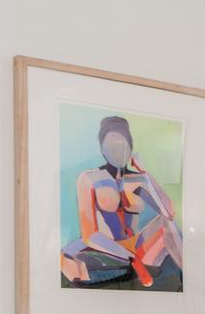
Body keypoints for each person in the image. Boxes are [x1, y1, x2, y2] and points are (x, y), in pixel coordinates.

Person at [59, 115, 183, 289]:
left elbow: (168, 212)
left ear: (130, 147)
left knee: (167, 225)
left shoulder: (138, 179)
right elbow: (90, 235)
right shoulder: (89, 178)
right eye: (110, 147)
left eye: (121, 146)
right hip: (103, 248)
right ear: (102, 149)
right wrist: (129, 257)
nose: (116, 151)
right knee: (70, 264)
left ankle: (192, 282)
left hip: (134, 246)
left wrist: (146, 174)